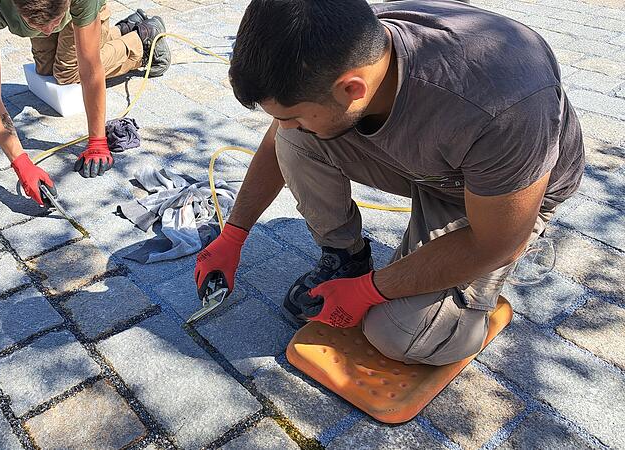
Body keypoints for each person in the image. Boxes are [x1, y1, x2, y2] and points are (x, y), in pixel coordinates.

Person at [194, 0, 584, 366]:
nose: (285, 125)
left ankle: (465, 298)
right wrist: (234, 235)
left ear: (352, 89)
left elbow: (496, 243)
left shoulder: (503, 106)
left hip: (500, 198)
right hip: (432, 167)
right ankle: (346, 258)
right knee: (296, 139)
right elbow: (281, 137)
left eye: (292, 114)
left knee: (399, 335)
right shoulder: (347, 45)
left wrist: (369, 291)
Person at [0, 0, 171, 205]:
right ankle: (120, 30)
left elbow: (90, 69)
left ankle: (142, 39)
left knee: (67, 73)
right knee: (46, 70)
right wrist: (21, 163)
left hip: (81, 8)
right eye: (36, 23)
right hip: (51, 10)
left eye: (54, 22)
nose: (47, 31)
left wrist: (97, 141)